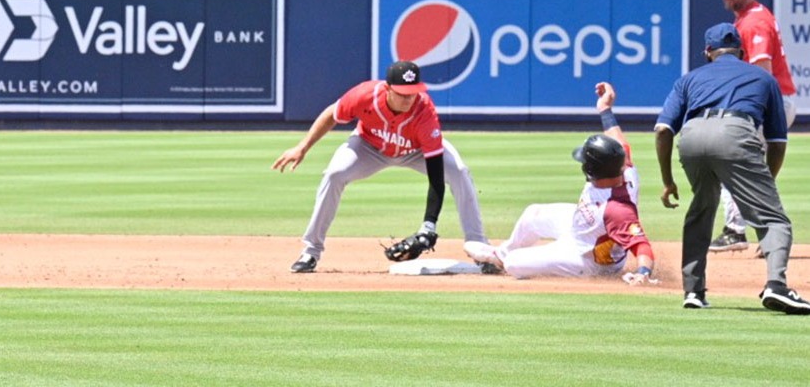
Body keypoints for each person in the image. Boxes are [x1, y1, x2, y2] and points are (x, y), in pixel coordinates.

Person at [272, 60, 488, 273]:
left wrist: (428, 225)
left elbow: (436, 177)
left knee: (459, 172)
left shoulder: (425, 113)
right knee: (335, 174)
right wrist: (302, 147)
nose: (408, 98)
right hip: (368, 148)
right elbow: (332, 114)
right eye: (402, 93)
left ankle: (480, 248)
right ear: (387, 89)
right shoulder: (364, 96)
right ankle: (311, 251)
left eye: (412, 92)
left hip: (415, 152)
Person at [654, 22, 809, 314]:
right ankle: (777, 286)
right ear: (742, 51)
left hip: (692, 135)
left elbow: (663, 130)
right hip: (736, 133)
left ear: (707, 51)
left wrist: (667, 181)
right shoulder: (763, 78)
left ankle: (693, 292)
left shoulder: (689, 78)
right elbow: (776, 140)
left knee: (702, 208)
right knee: (774, 219)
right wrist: (765, 184)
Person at [463, 82, 657, 286]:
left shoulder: (617, 210)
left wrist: (643, 272)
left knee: (514, 264)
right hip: (582, 228)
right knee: (533, 213)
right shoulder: (621, 166)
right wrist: (604, 108)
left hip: (589, 260)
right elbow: (618, 142)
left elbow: (641, 245)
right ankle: (499, 254)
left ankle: (505, 260)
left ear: (591, 170)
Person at [709, 0, 798, 253]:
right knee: (749, 171)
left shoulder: (754, 22)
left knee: (733, 164)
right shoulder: (749, 18)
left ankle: (738, 231)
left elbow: (762, 70)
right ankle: (765, 232)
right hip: (769, 102)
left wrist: (753, 111)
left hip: (765, 103)